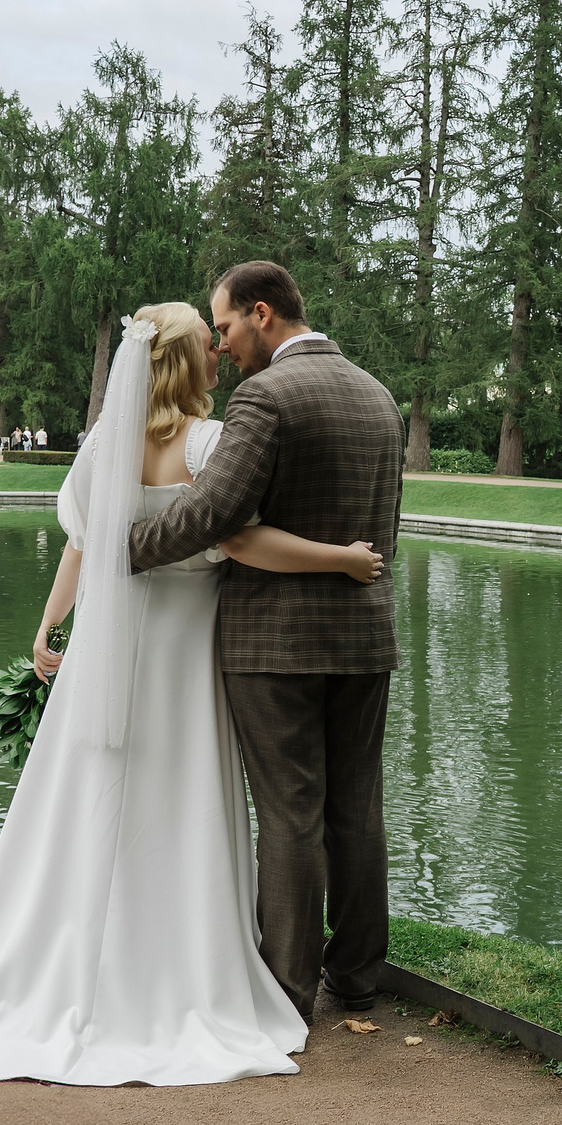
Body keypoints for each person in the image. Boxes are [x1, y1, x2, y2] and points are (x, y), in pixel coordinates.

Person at [0, 296, 387, 1086]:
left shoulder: (101, 447)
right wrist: (340, 559)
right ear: (189, 364)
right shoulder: (209, 441)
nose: (221, 356)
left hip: (111, 650)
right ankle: (184, 963)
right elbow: (238, 538)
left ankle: (82, 954)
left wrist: (49, 630)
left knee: (94, 796)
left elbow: (83, 548)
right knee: (184, 801)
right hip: (189, 651)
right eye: (210, 348)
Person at [128, 259, 404, 1024]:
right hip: (364, 636)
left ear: (262, 314)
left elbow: (212, 513)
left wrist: (127, 546)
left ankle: (287, 990)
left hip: (273, 644)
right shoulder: (380, 397)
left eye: (224, 328)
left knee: (289, 813)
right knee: (357, 807)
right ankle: (354, 975)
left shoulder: (268, 396)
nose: (220, 346)